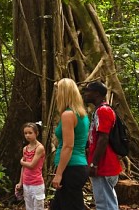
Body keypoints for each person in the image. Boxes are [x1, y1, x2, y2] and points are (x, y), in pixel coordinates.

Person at [50, 78, 90, 210]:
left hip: (71, 168)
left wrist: (59, 173)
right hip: (78, 166)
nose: (56, 95)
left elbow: (68, 145)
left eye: (58, 92)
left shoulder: (68, 115)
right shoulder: (82, 114)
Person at [83, 81, 122, 210]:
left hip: (104, 165)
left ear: (97, 93)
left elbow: (103, 138)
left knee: (104, 204)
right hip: (104, 165)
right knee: (107, 201)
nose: (85, 94)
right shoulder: (99, 110)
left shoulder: (103, 111)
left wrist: (94, 164)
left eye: (88, 91)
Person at [16, 122, 45, 210]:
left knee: (38, 207)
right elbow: (24, 168)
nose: (27, 135)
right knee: (29, 207)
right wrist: (20, 182)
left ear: (36, 133)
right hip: (26, 183)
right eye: (25, 133)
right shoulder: (25, 149)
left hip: (36, 183)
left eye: (30, 133)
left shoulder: (40, 148)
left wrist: (22, 162)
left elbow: (32, 165)